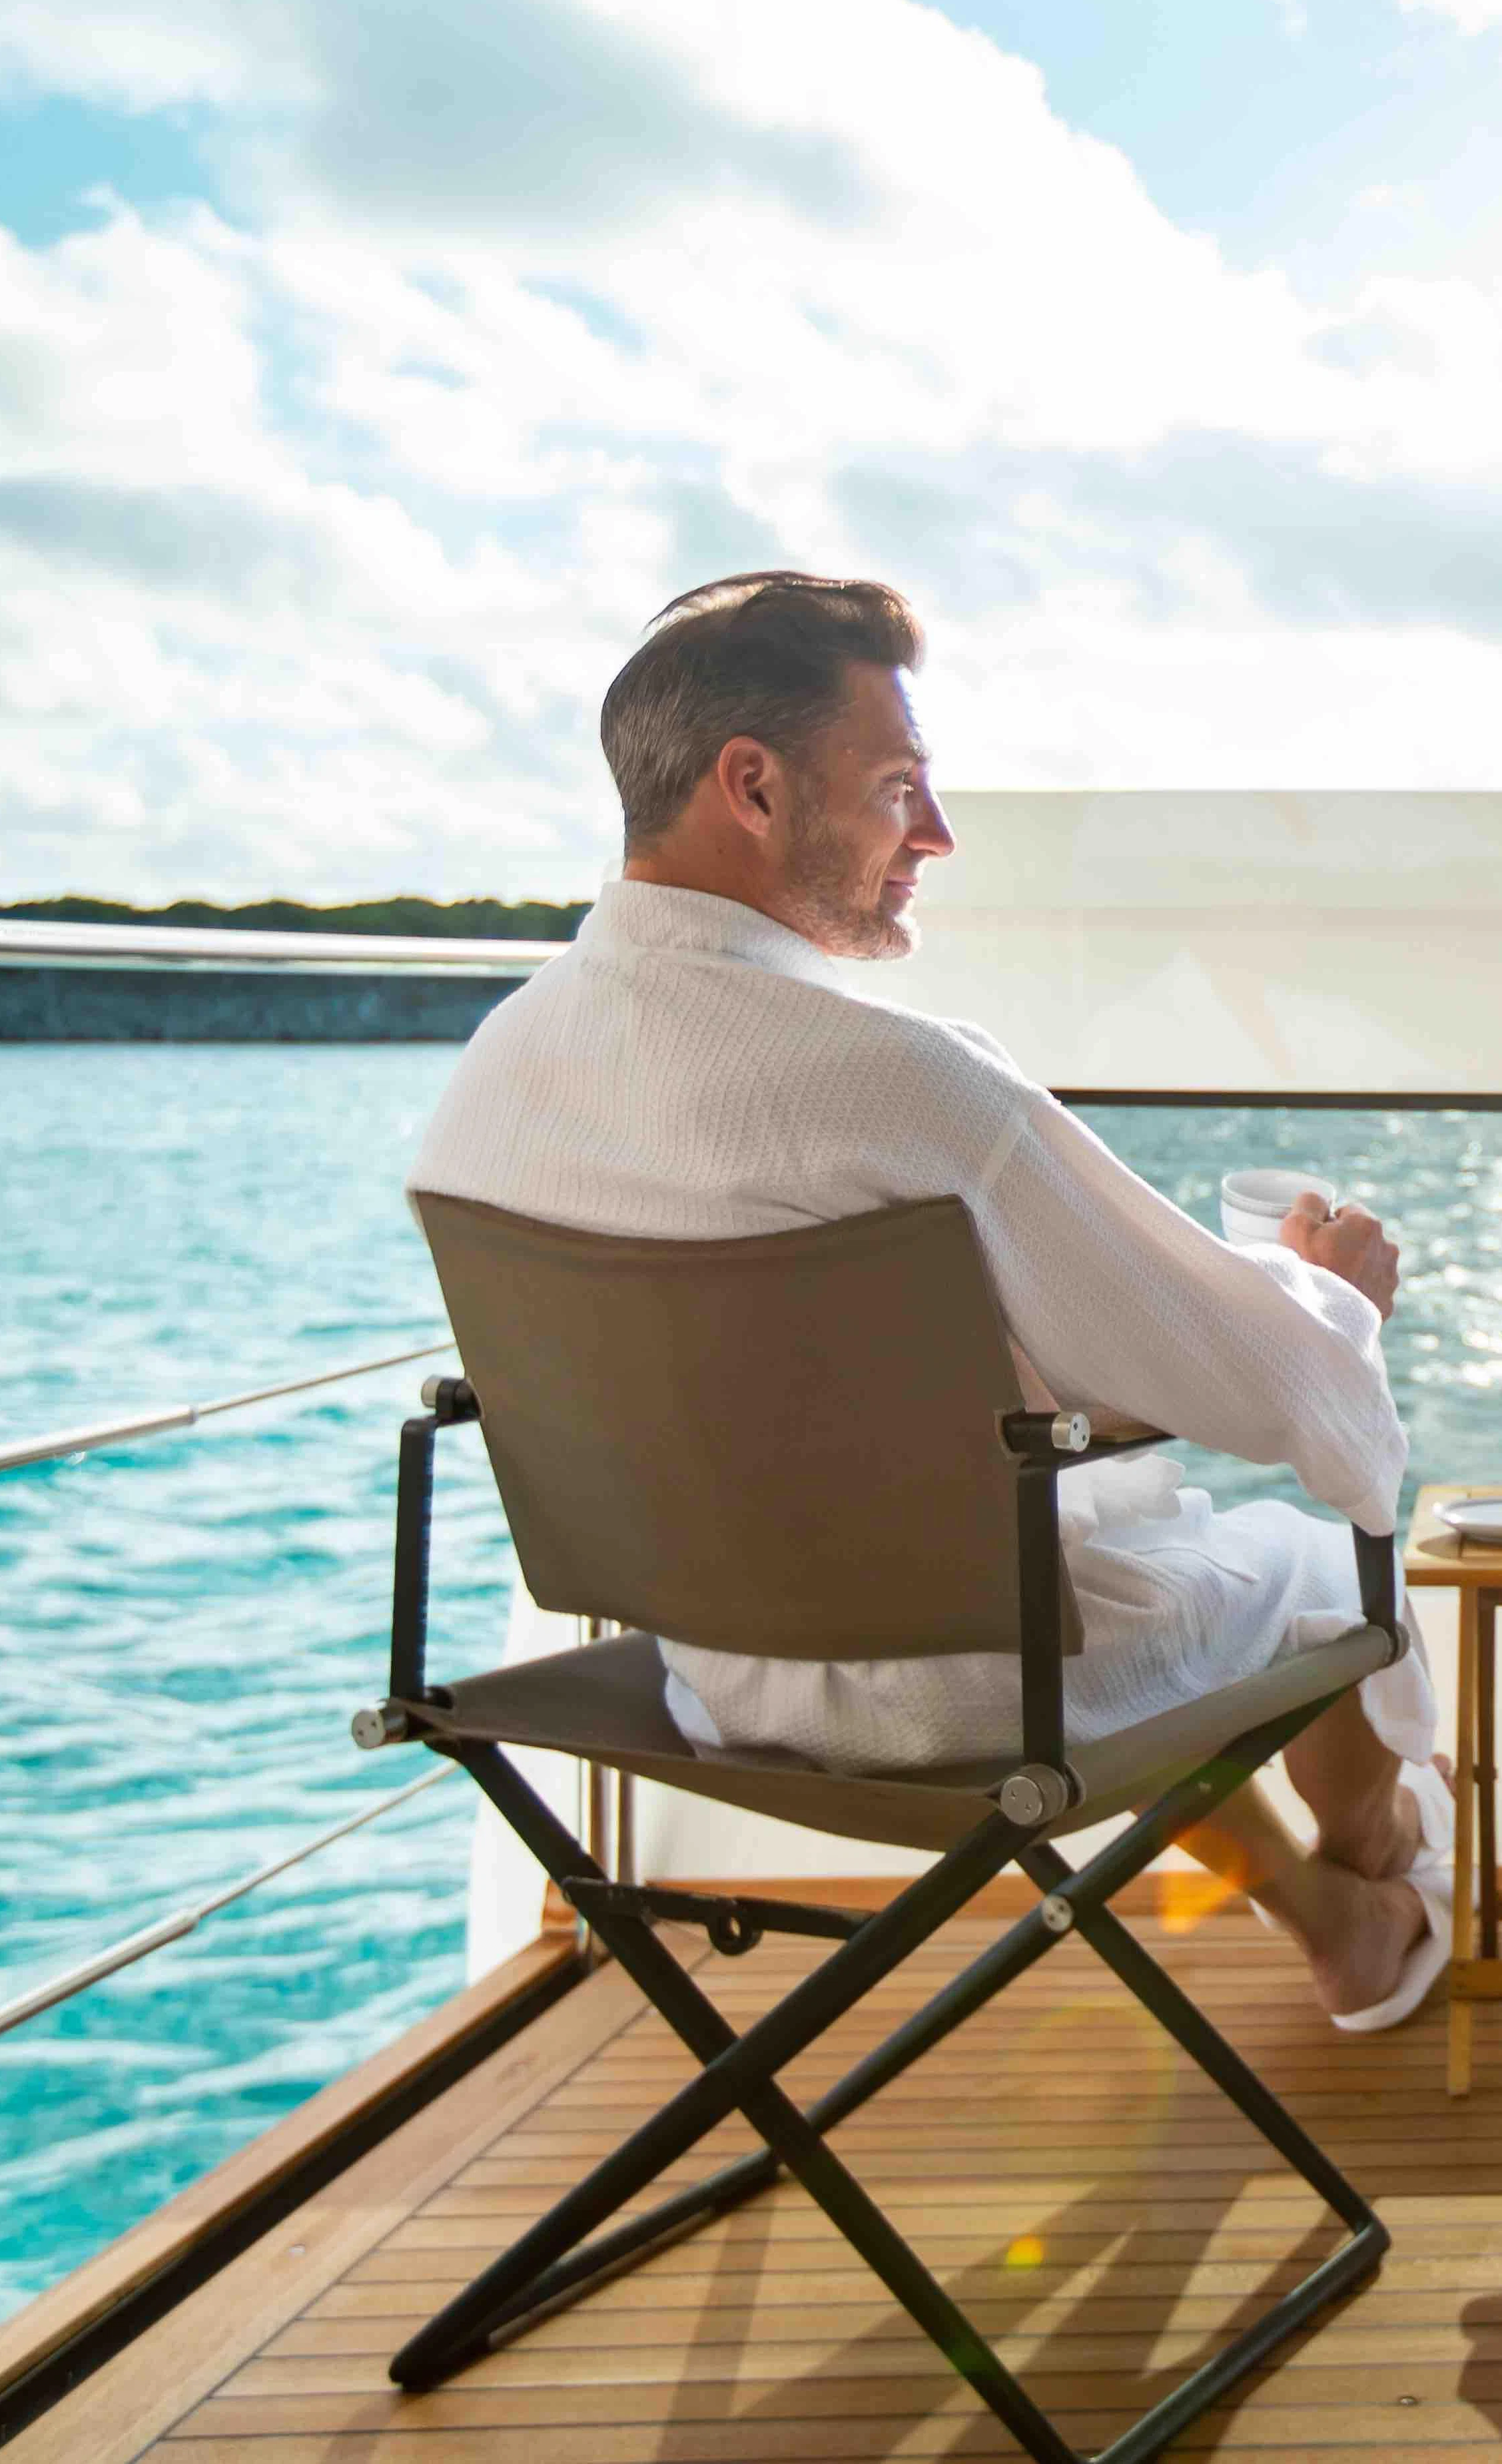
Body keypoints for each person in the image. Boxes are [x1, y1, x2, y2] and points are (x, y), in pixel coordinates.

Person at [412, 571, 1448, 2032]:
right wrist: (1329, 1303)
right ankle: (1375, 1876)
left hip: (711, 1681)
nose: (936, 835)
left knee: (1127, 1540)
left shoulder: (492, 1082)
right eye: (901, 785)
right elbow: (1274, 1390)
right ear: (753, 789)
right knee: (1327, 1568)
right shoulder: (902, 1077)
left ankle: (1340, 1915)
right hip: (968, 1700)